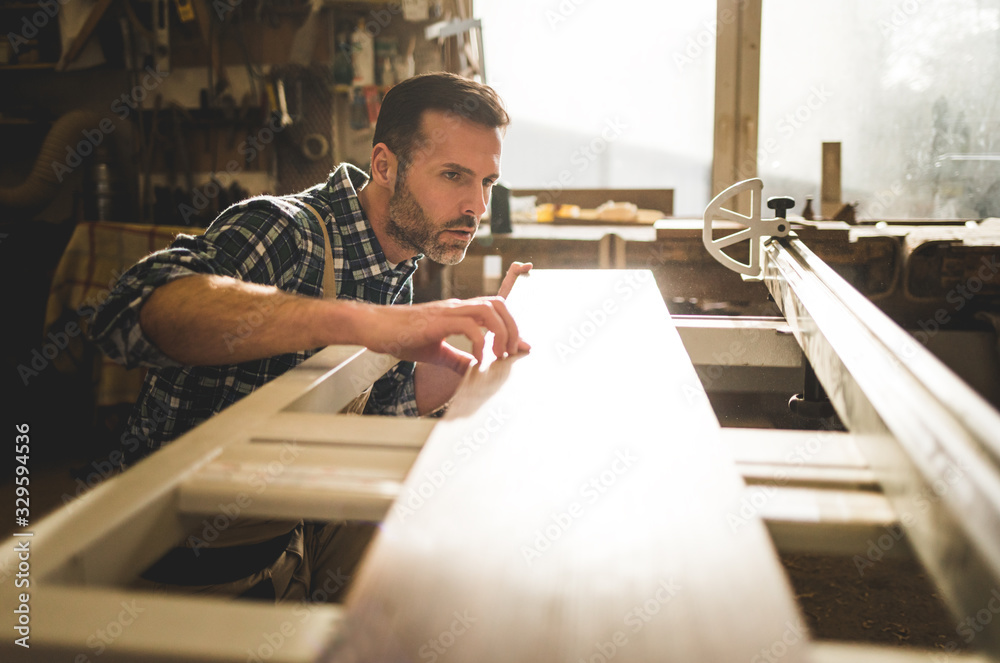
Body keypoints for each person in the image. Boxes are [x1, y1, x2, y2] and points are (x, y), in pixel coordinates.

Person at [88, 71, 531, 602]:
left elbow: (381, 406)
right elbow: (123, 311)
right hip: (174, 570)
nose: (476, 207)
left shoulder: (394, 263)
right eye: (454, 175)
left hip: (286, 539)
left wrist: (470, 361)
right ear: (386, 166)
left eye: (487, 182)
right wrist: (366, 322)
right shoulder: (287, 230)